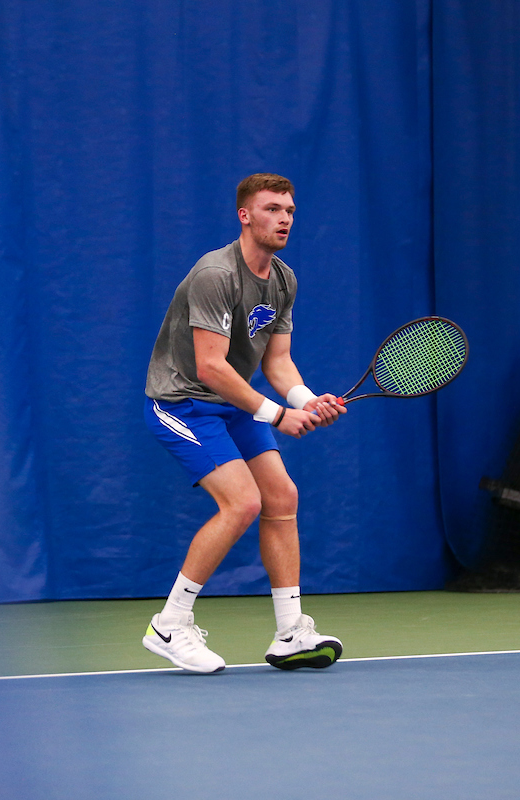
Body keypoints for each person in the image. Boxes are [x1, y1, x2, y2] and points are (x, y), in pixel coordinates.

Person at [142, 173, 346, 673]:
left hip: (234, 404)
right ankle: (170, 622)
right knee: (243, 502)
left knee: (281, 498)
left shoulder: (284, 279)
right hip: (184, 401)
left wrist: (305, 400)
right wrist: (278, 414)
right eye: (273, 209)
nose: (284, 219)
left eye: (290, 211)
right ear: (245, 215)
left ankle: (290, 632)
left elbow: (277, 363)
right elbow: (211, 366)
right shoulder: (216, 274)